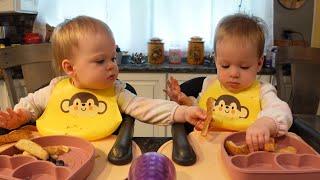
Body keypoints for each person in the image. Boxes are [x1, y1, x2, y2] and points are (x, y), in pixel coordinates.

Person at [0, 16, 207, 164]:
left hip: (100, 156)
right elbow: (32, 102)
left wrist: (183, 112)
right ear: (70, 68)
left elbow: (146, 107)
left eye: (113, 58)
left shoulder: (116, 92)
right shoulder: (55, 88)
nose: (111, 66)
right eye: (100, 60)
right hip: (52, 155)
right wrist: (21, 115)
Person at [165, 13, 292, 152]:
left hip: (246, 152)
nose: (234, 74)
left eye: (244, 67)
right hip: (206, 149)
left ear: (259, 63)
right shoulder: (209, 84)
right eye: (225, 65)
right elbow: (201, 111)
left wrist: (266, 124)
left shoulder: (263, 91)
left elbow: (281, 111)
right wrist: (184, 101)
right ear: (216, 61)